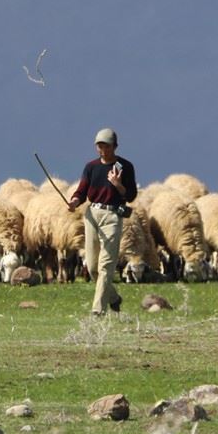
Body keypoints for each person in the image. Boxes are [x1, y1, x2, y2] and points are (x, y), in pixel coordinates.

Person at [69, 127, 137, 314]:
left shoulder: (125, 167)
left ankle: (98, 309)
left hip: (112, 215)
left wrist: (118, 185)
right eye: (99, 146)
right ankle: (113, 297)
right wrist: (74, 201)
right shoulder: (91, 167)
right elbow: (82, 191)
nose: (102, 150)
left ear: (114, 146)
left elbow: (131, 195)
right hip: (92, 214)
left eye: (106, 146)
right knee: (92, 267)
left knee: (106, 264)